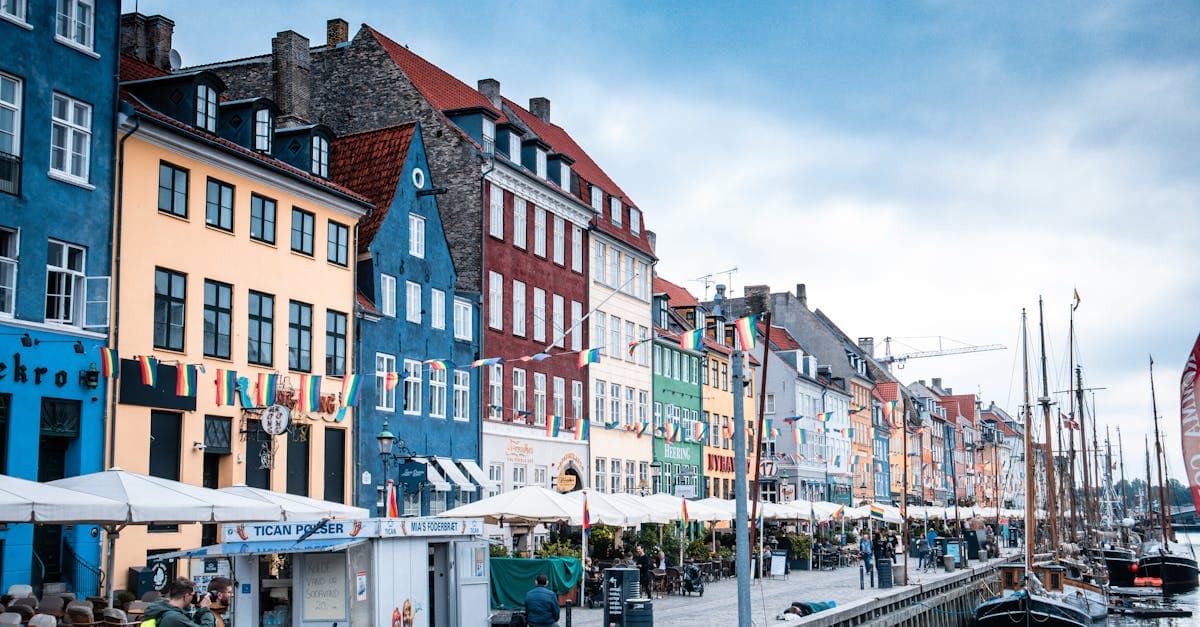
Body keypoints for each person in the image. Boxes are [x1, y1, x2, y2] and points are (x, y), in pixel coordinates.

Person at [142, 577, 216, 627]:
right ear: (186, 596)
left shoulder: (161, 610)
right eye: (193, 595)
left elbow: (191, 623)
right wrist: (206, 610)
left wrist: (200, 612)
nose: (194, 597)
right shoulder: (174, 618)